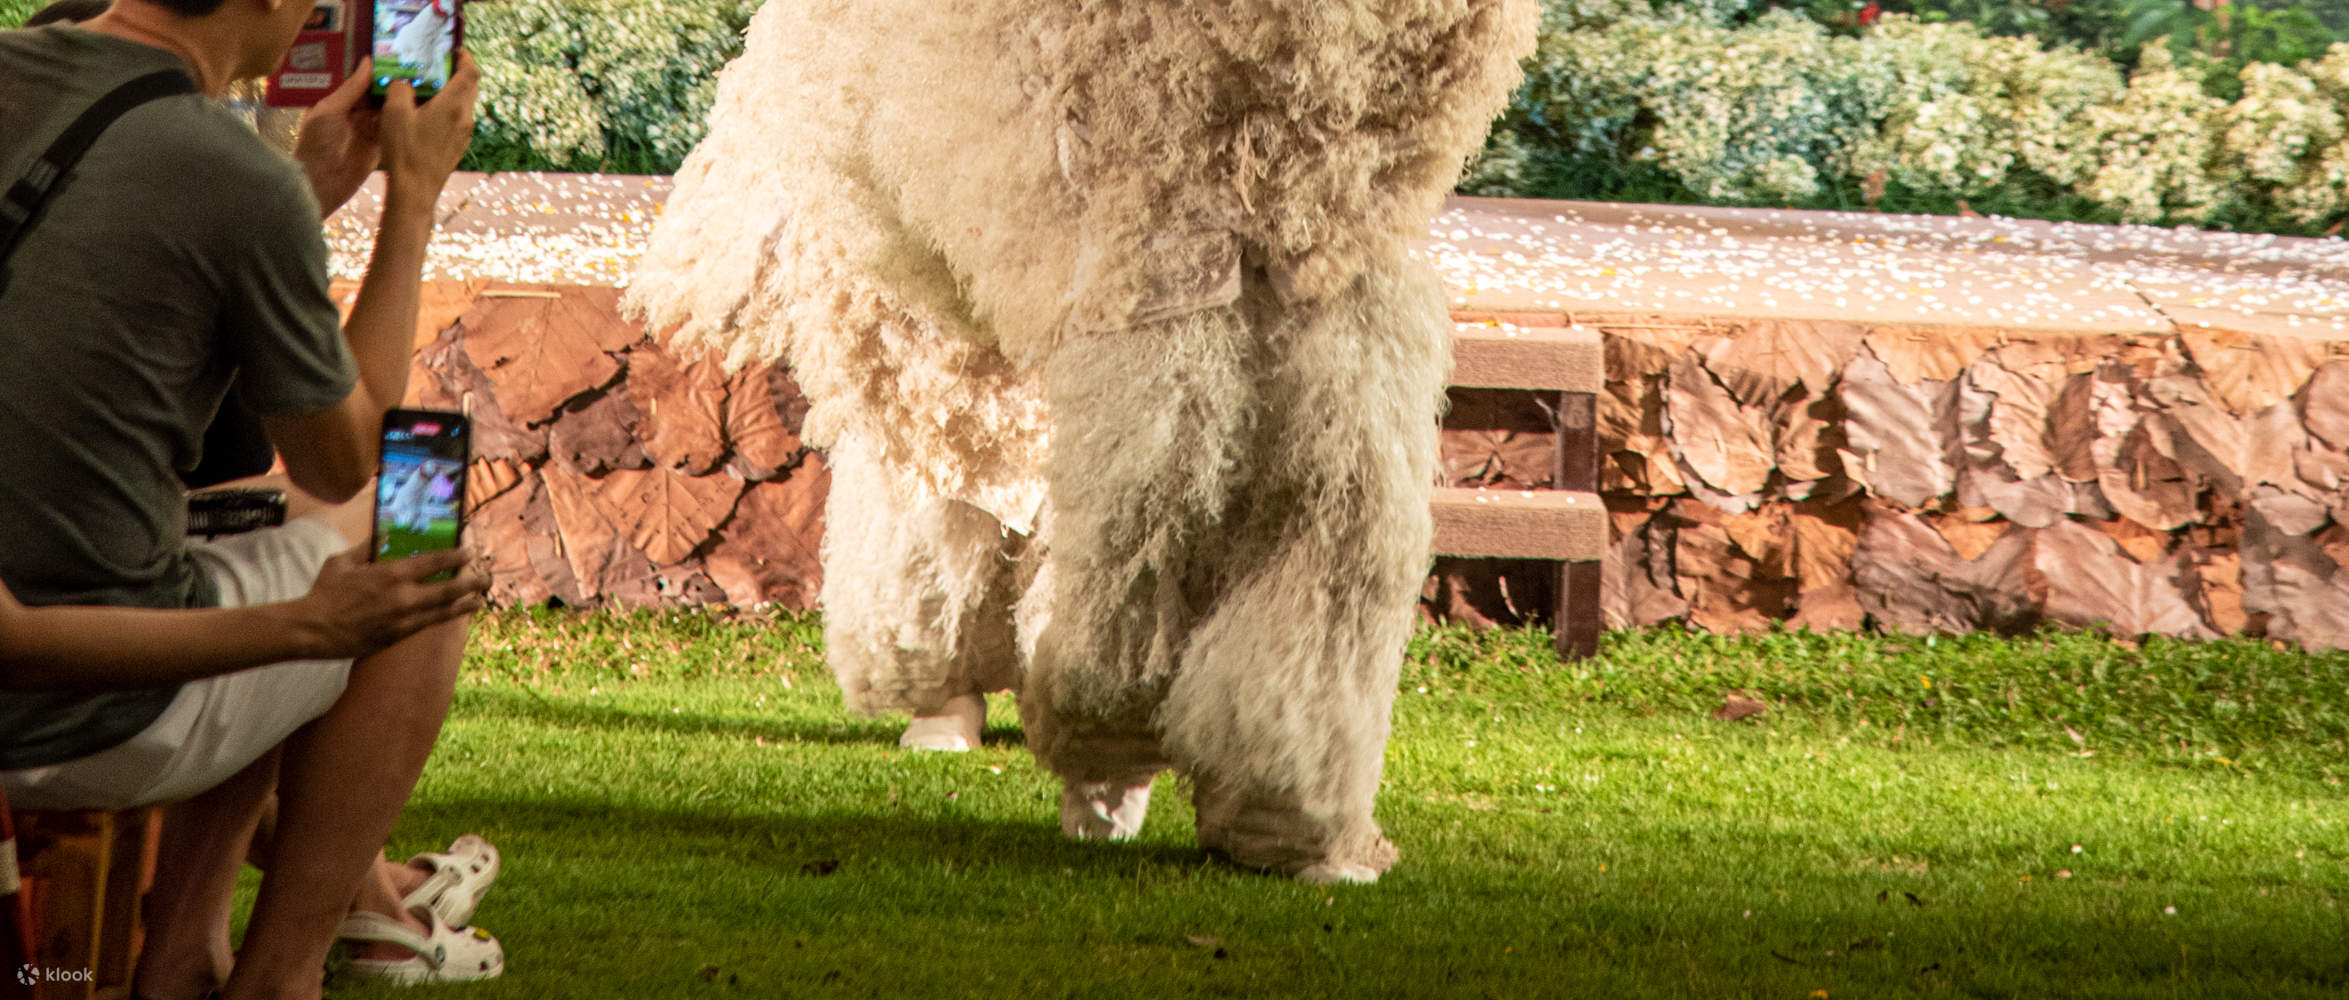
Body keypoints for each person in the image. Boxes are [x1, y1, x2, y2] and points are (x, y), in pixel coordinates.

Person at [0, 0, 489, 991]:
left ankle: (188, 953)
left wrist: (303, 184)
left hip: (50, 645)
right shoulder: (231, 174)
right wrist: (414, 203)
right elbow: (344, 458)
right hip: (70, 711)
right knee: (414, 544)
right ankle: (287, 971)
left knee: (260, 531)